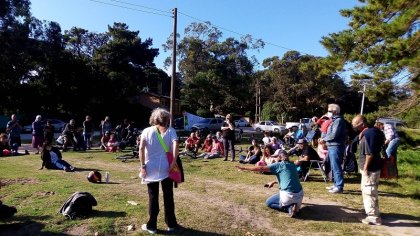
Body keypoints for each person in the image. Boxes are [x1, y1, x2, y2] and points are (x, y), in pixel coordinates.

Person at [139, 108, 179, 234]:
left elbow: (141, 148)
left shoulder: (146, 131)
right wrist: (173, 164)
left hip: (151, 167)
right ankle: (171, 224)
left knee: (153, 196)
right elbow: (176, 146)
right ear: (167, 119)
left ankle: (152, 226)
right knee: (168, 196)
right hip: (167, 167)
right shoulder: (171, 130)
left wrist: (142, 166)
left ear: (154, 118)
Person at [236, 150, 303, 217]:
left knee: (269, 202)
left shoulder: (279, 165)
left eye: (276, 157)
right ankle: (293, 206)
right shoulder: (292, 165)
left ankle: (289, 208)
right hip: (300, 195)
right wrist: (274, 182)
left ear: (279, 157)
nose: (275, 158)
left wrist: (244, 168)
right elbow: (290, 179)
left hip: (288, 195)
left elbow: (261, 168)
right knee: (282, 195)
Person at [352, 115, 384, 225]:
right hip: (374, 167)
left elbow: (369, 154)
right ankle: (372, 212)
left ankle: (373, 217)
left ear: (362, 123)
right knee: (370, 191)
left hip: (370, 169)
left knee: (369, 191)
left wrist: (365, 168)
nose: (353, 126)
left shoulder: (368, 135)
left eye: (355, 124)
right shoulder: (374, 131)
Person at [321, 104, 346, 194]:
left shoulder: (338, 121)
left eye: (330, 111)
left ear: (335, 111)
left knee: (337, 167)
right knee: (333, 166)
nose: (328, 113)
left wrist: (324, 139)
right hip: (331, 146)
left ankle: (339, 186)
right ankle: (336, 184)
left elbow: (334, 134)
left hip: (336, 146)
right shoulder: (332, 121)